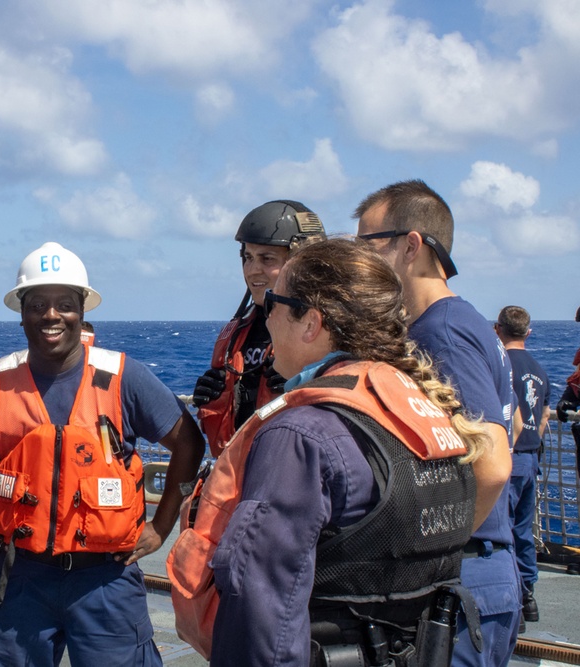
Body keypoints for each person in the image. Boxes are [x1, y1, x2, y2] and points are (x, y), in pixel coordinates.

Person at [169, 238, 487, 665]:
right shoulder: (429, 415)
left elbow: (262, 612)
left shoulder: (300, 436)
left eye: (274, 306)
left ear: (311, 323)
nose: (267, 320)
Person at [0, 241, 206, 666]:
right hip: (19, 575)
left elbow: (188, 442)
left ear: (82, 311)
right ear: (21, 312)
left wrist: (161, 524)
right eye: (38, 304)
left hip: (106, 580)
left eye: (64, 303)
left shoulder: (123, 377)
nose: (51, 315)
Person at [356, 180, 517, 666]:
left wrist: (429, 560)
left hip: (462, 574)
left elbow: (492, 465)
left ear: (411, 246)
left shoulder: (438, 334)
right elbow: (516, 428)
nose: (361, 261)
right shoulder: (468, 323)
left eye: (368, 244)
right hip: (484, 570)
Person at [192, 200, 325, 455]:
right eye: (248, 258)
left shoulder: (331, 332)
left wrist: (310, 385)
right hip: (243, 476)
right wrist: (212, 400)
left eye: (267, 259)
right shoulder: (236, 335)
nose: (253, 271)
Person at [494, 305, 550, 630]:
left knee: (502, 528)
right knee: (524, 529)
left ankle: (511, 601)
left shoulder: (501, 365)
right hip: (531, 458)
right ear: (528, 333)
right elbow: (543, 415)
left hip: (508, 455)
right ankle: (528, 595)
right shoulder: (539, 369)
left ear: (498, 329)